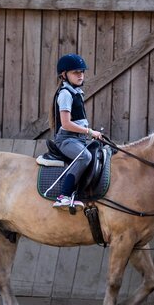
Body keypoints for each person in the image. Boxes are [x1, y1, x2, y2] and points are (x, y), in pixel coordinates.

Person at [49, 53, 103, 208]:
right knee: (84, 157)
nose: (81, 75)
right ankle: (63, 195)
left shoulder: (76, 92)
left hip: (78, 139)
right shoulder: (65, 94)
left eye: (82, 72)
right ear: (64, 75)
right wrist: (90, 132)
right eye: (76, 72)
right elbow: (66, 124)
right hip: (66, 139)